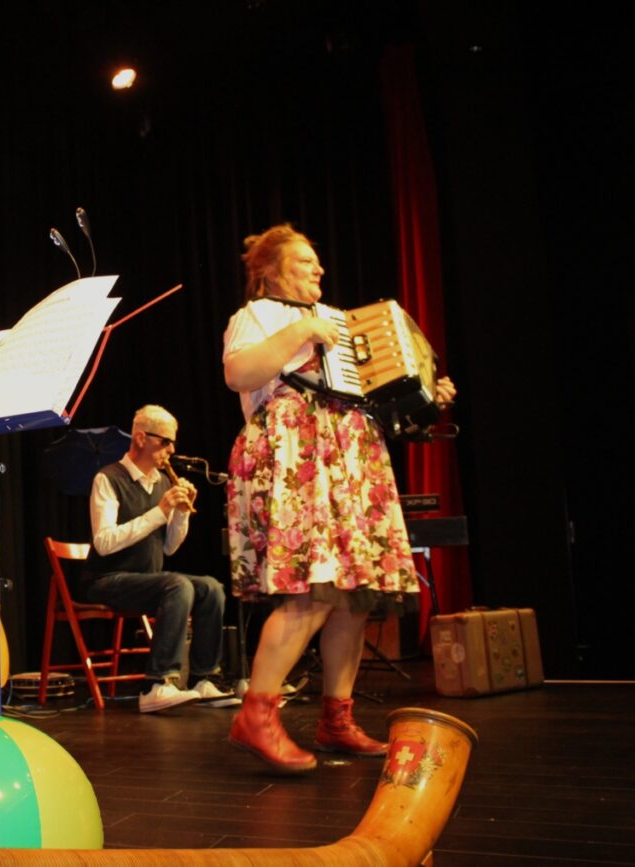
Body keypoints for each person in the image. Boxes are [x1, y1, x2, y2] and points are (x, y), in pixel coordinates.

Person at [222, 224, 456, 773]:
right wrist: (303, 327)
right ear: (272, 271)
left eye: (317, 262)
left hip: (351, 455)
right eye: (305, 262)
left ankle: (336, 717)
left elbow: (380, 401)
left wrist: (427, 398)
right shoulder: (259, 316)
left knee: (354, 593)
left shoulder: (339, 326)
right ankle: (256, 713)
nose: (319, 271)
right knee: (313, 586)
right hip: (296, 450)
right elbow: (240, 373)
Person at [83, 405, 234, 713]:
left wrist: (180, 514)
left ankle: (204, 678)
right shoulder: (108, 479)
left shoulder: (163, 482)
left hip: (147, 579)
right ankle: (156, 684)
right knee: (177, 585)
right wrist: (160, 511)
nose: (172, 449)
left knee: (211, 588)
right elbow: (104, 542)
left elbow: (169, 548)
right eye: (165, 441)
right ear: (141, 438)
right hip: (107, 579)